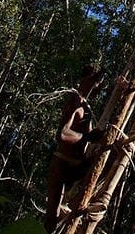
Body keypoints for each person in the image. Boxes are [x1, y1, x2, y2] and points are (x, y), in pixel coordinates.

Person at [44, 65, 105, 233]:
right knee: (52, 216)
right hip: (62, 164)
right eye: (93, 80)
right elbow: (62, 134)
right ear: (83, 80)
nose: (96, 85)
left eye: (98, 82)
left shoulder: (86, 107)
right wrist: (87, 137)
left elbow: (89, 134)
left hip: (77, 166)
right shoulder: (74, 100)